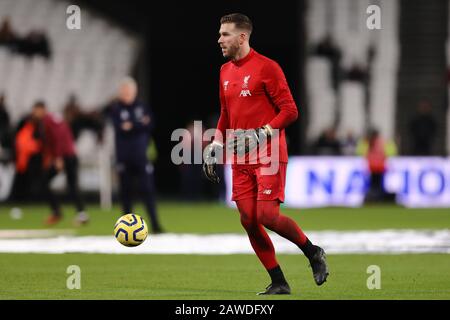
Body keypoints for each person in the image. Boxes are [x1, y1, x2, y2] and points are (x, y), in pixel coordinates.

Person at [203, 13, 329, 295]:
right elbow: (226, 114)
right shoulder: (225, 72)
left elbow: (290, 110)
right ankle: (279, 281)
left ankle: (312, 252)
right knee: (248, 218)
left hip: (269, 152)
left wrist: (264, 132)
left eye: (225, 34)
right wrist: (216, 144)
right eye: (220, 33)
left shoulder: (267, 68)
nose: (219, 39)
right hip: (239, 155)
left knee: (267, 216)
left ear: (242, 37)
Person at [107, 77, 164, 234]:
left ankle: (155, 224)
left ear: (135, 91)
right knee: (126, 193)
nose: (127, 94)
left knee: (148, 190)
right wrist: (138, 124)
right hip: (124, 158)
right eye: (124, 91)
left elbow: (150, 125)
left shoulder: (142, 106)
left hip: (141, 157)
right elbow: (120, 127)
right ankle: (125, 228)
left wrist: (132, 125)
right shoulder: (116, 108)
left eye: (129, 90)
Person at [30, 101, 89, 226]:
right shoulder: (50, 120)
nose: (34, 113)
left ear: (42, 109)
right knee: (69, 184)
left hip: (66, 155)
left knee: (48, 182)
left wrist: (58, 158)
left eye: (36, 110)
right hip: (66, 154)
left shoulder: (49, 120)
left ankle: (63, 212)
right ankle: (75, 213)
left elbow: (59, 137)